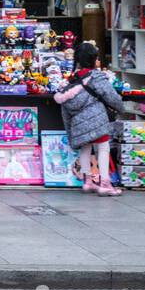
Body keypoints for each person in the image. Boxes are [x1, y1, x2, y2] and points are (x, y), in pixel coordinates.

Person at [53, 41, 124, 196]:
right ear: (93, 59)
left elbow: (66, 110)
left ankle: (87, 182)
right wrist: (121, 108)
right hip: (97, 120)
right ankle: (105, 183)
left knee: (85, 148)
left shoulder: (72, 81)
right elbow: (111, 97)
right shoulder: (96, 77)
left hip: (78, 123)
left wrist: (70, 131)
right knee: (103, 147)